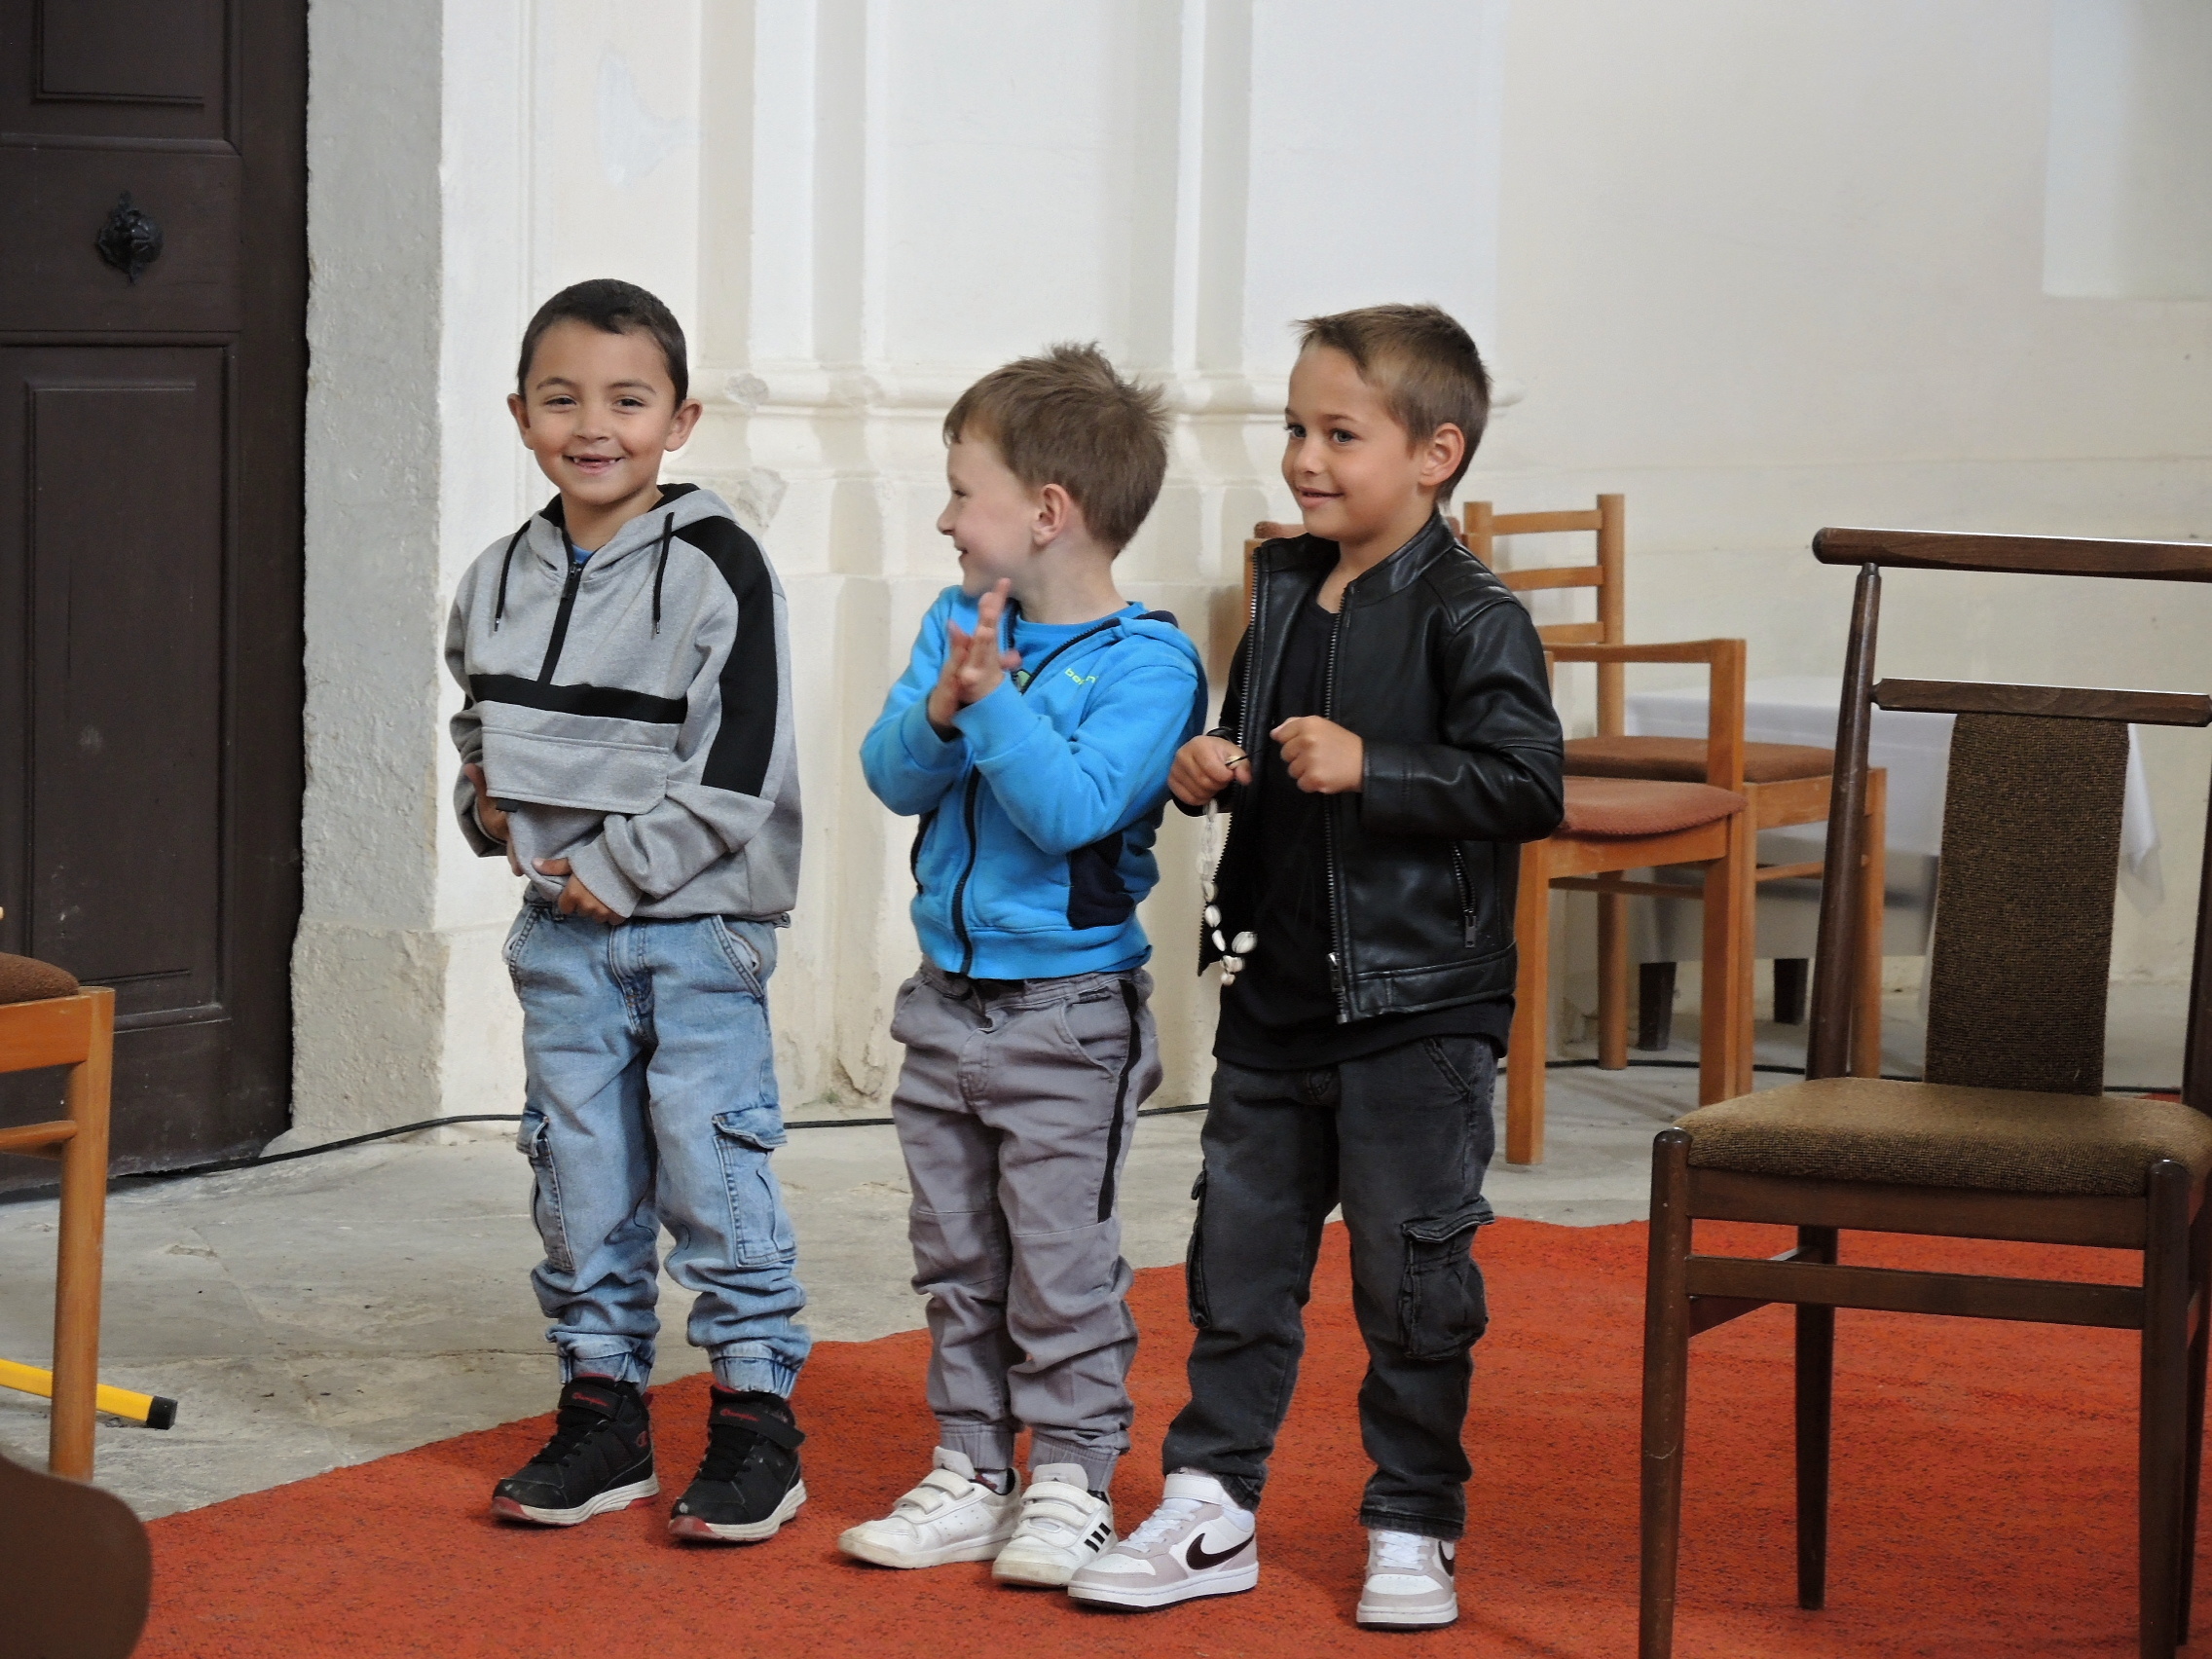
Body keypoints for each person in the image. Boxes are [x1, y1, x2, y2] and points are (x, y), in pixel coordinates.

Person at [1067, 305, 1565, 1628]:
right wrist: (1208, 765)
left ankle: (1413, 1521)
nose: (1304, 457)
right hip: (1276, 997)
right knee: (1237, 1270)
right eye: (1296, 428)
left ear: (1436, 454)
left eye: (1341, 434)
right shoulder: (1284, 586)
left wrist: (1376, 767)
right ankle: (1210, 1502)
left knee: (1413, 1287)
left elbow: (1529, 784)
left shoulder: (1473, 615)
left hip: (1417, 1009)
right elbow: (1253, 739)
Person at [446, 278, 812, 1544]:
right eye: (562, 399)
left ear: (679, 419)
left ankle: (756, 1418)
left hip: (697, 932)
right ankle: (604, 1410)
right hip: (562, 936)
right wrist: (487, 814)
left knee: (714, 1168)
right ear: (520, 415)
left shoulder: (721, 568)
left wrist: (629, 866)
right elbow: (479, 729)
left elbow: (740, 765)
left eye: (627, 400)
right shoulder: (495, 577)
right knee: (578, 1173)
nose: (593, 426)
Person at [844, 344, 1207, 1589]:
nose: (946, 520)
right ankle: (970, 1467)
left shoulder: (1149, 663)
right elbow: (891, 775)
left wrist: (992, 701)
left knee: (1059, 1265)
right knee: (956, 1257)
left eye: (963, 492)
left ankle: (1069, 1478)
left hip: (1069, 1017)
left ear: (1047, 511)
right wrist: (944, 705)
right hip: (945, 1006)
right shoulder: (958, 624)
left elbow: (1069, 811)